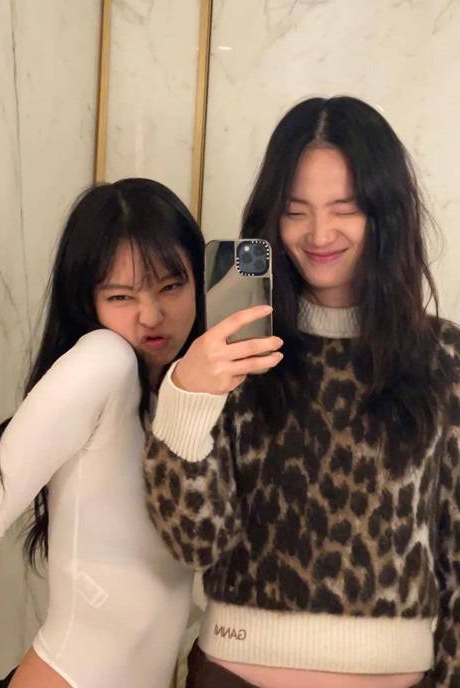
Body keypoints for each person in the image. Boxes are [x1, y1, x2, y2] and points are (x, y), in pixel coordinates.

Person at [143, 97, 460, 688]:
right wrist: (186, 396)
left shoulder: (442, 357)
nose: (318, 234)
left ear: (385, 214)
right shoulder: (232, 350)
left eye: (345, 210)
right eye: (295, 212)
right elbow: (194, 542)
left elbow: (455, 553)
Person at [0, 178, 205, 688]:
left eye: (170, 286)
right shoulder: (105, 361)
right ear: (88, 300)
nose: (151, 316)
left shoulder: (179, 396)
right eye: (121, 296)